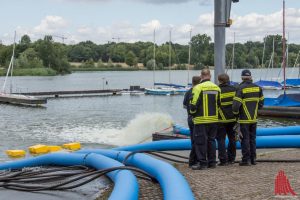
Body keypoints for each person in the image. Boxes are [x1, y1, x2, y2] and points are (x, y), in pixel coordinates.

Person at [189, 69, 221, 170]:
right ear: (210, 76)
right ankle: (212, 163)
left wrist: (193, 114)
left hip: (201, 120)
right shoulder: (217, 88)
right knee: (211, 141)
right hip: (213, 120)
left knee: (200, 142)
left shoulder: (198, 88)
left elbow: (193, 105)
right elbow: (219, 104)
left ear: (201, 76)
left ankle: (202, 163)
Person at [232, 69, 264, 166]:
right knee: (252, 139)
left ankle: (246, 160)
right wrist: (255, 111)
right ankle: (253, 159)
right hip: (254, 118)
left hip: (244, 119)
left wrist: (236, 114)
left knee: (244, 139)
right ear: (250, 77)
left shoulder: (240, 88)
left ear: (242, 77)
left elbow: (236, 105)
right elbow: (261, 103)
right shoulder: (258, 88)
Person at [216, 73, 237, 166]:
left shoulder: (217, 90)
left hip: (221, 119)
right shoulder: (234, 89)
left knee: (221, 140)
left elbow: (215, 104)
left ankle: (223, 160)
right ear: (228, 80)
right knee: (232, 139)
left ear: (219, 80)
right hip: (233, 119)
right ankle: (231, 158)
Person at [183, 76, 201, 167]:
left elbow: (185, 106)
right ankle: (195, 160)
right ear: (200, 82)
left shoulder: (188, 92)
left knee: (193, 140)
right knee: (198, 139)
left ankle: (193, 160)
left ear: (192, 82)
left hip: (190, 118)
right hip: (198, 118)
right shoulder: (200, 91)